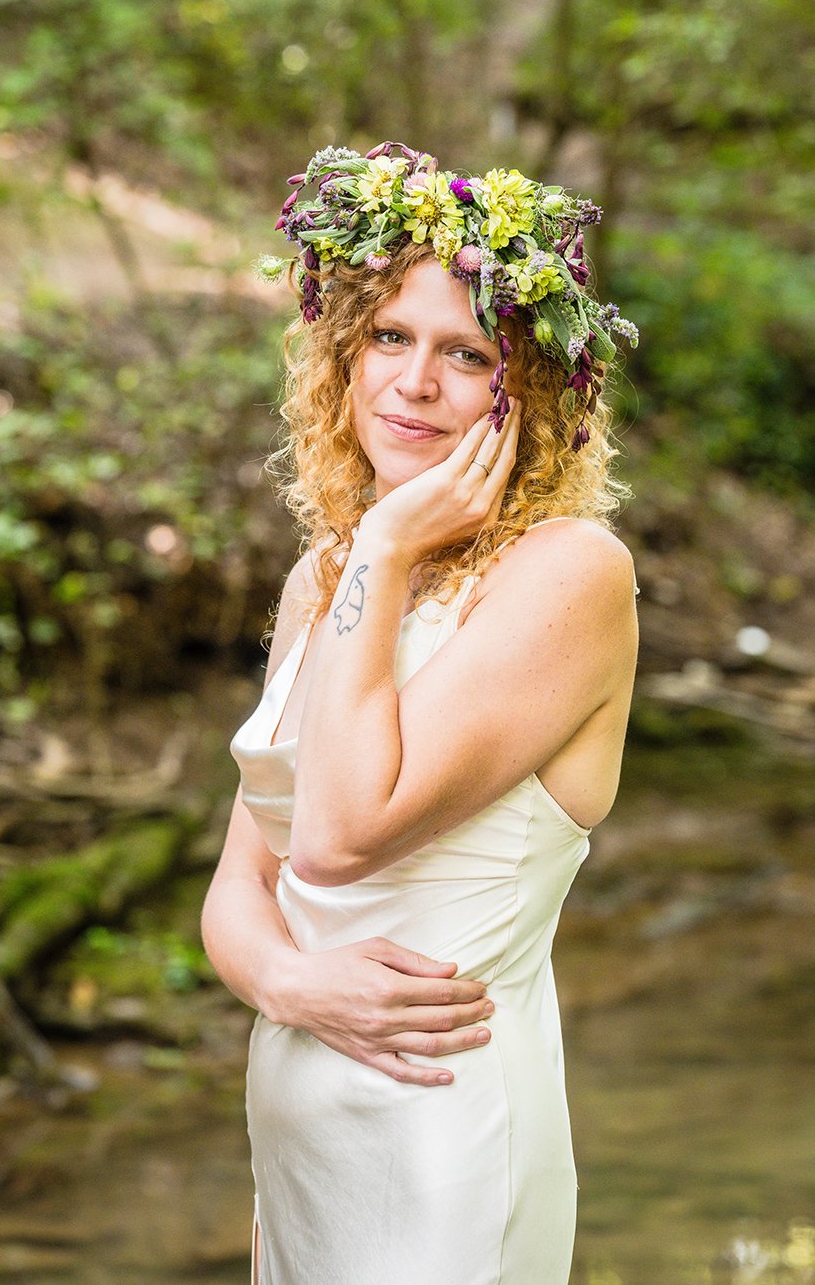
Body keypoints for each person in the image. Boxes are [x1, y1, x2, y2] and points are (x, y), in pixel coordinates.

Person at [200, 142, 641, 1285]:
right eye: (389, 338)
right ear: (343, 357)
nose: (413, 382)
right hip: (300, 1139)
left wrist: (388, 545)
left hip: (446, 1142)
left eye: (464, 355)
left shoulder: (566, 574)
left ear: (526, 391)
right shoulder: (327, 578)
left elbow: (342, 837)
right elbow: (245, 884)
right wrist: (293, 986)